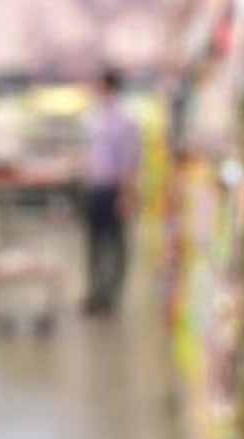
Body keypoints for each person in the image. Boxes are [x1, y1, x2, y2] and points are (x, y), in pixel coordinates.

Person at [83, 67, 141, 315]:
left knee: (115, 245)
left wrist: (126, 195)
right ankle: (96, 293)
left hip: (114, 189)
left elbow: (129, 161)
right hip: (95, 188)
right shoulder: (95, 117)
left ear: (109, 87)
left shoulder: (125, 120)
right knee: (94, 243)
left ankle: (111, 296)